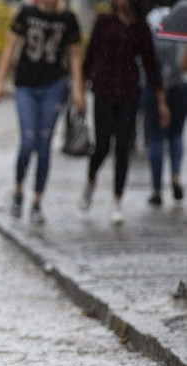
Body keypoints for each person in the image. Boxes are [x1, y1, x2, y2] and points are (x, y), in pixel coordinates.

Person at [78, 0, 171, 224]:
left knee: (122, 147)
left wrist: (161, 100)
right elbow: (90, 56)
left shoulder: (140, 27)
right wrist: (79, 90)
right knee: (101, 146)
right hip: (102, 90)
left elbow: (151, 65)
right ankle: (91, 180)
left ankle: (117, 202)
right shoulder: (104, 21)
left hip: (129, 92)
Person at [0, 0, 85, 224]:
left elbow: (74, 54)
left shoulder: (68, 19)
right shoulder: (26, 13)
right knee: (27, 142)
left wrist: (78, 89)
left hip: (54, 86)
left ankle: (37, 201)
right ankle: (17, 190)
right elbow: (10, 45)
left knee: (44, 146)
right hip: (26, 85)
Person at [143, 3, 186, 206]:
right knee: (176, 134)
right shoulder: (181, 17)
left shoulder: (152, 21)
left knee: (156, 138)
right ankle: (176, 177)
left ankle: (157, 189)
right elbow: (182, 64)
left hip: (153, 86)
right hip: (177, 85)